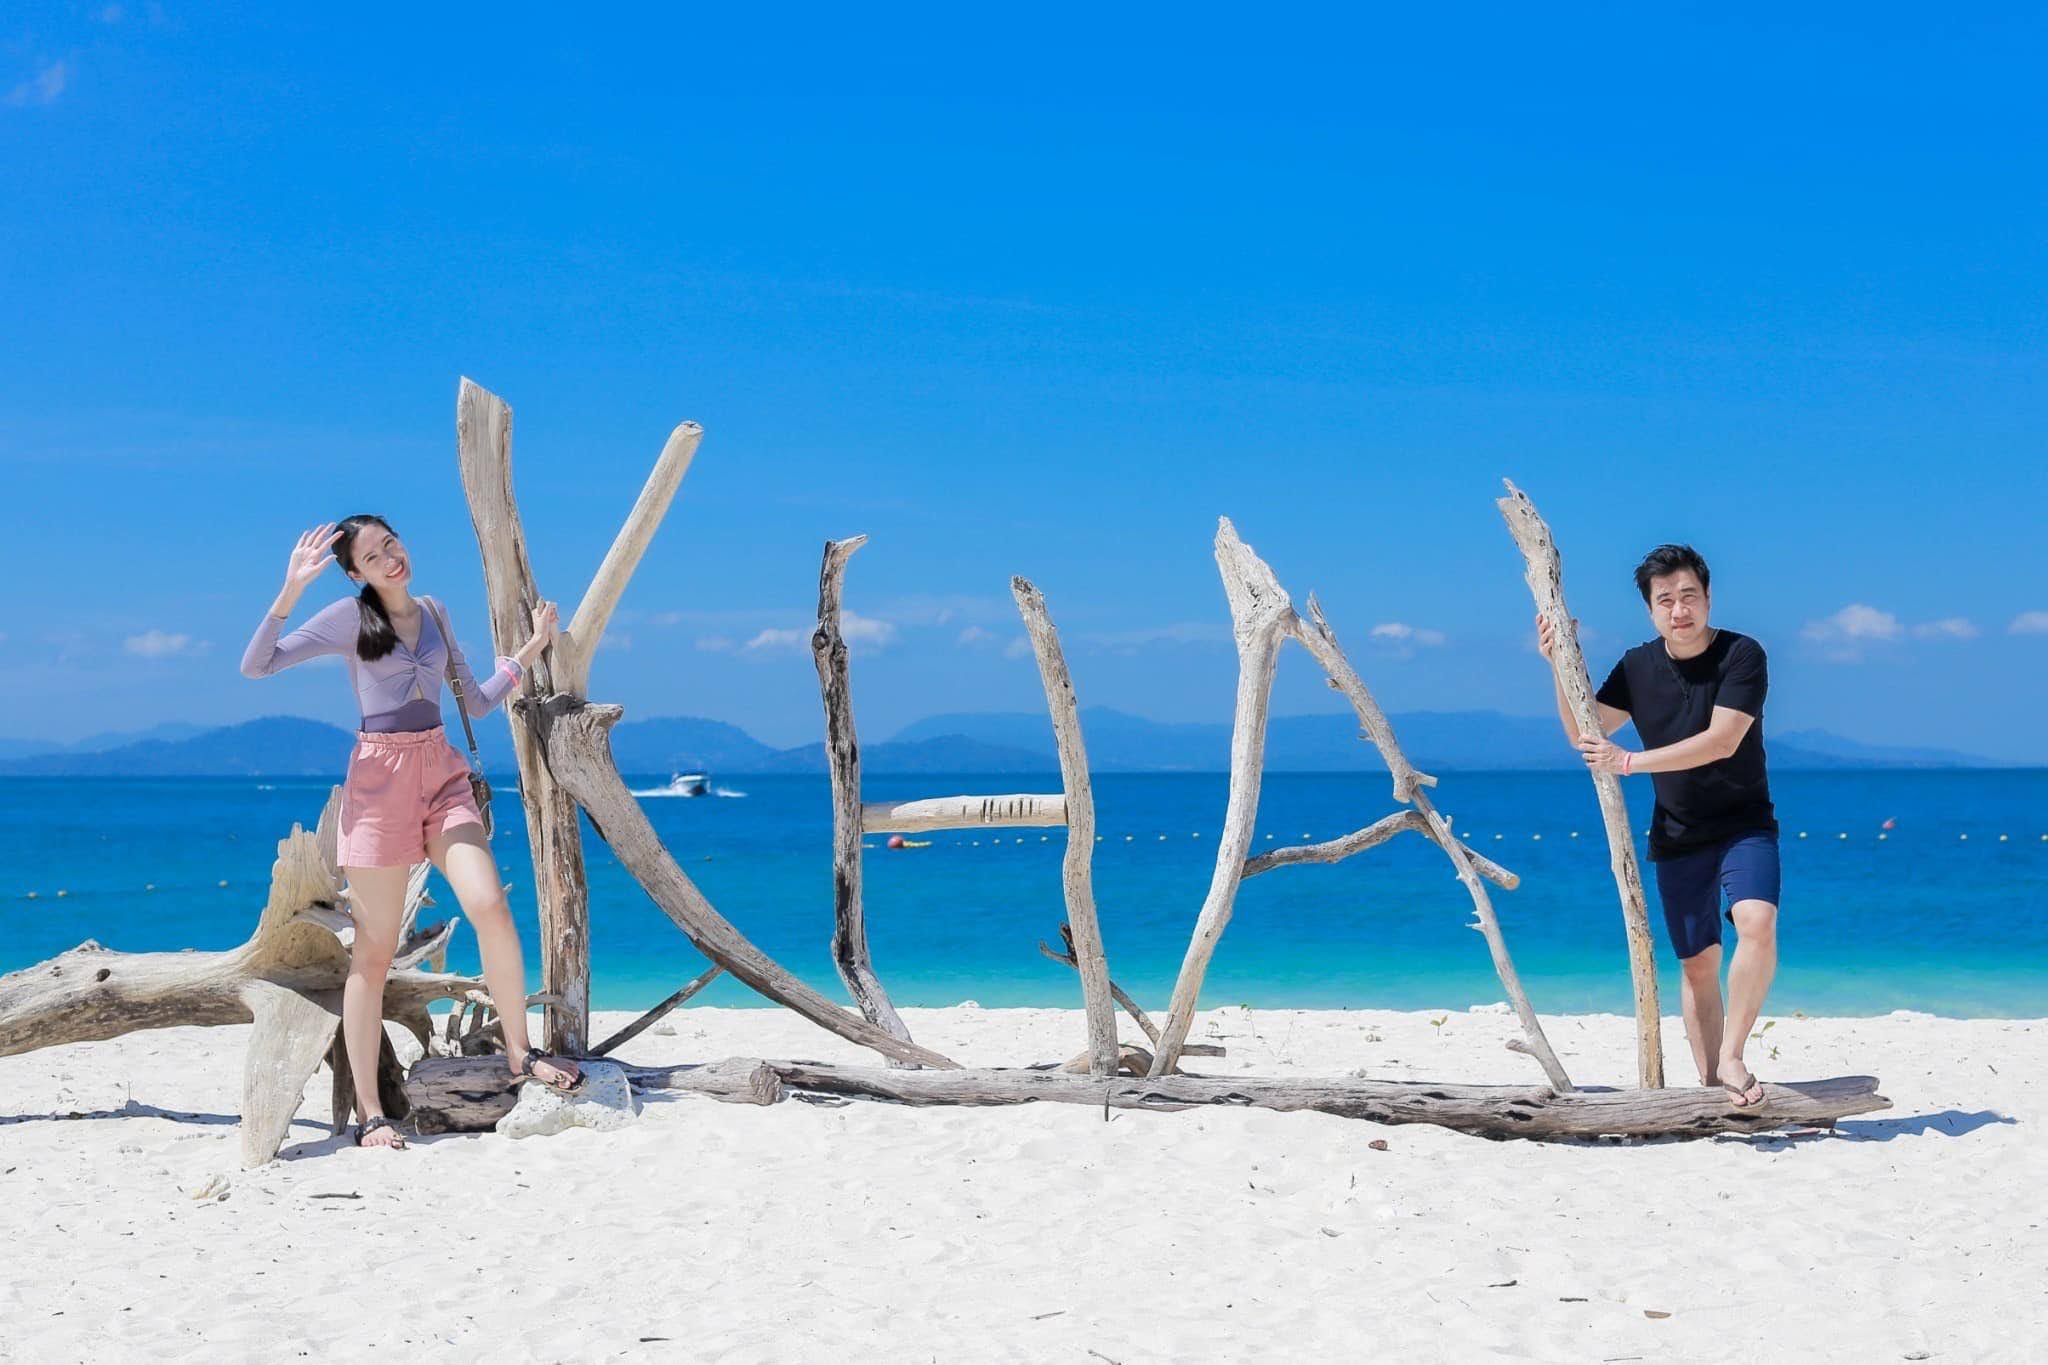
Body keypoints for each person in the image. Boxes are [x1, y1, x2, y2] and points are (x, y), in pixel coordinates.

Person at [242, 517, 583, 1149]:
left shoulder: (433, 610)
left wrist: (532, 649)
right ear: (356, 574)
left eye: (392, 545)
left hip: (441, 772)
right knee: (373, 953)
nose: (391, 559)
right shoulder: (348, 619)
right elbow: (257, 665)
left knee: (491, 908)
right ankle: (372, 1114)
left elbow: (475, 702)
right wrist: (290, 589)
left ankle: (520, 1054)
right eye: (373, 557)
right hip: (378, 787)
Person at [1536, 543, 1778, 1107]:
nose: (1679, 610)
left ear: (1708, 598)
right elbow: (1587, 730)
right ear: (1649, 608)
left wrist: (1630, 762)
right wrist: (1556, 663)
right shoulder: (1638, 665)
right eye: (1665, 600)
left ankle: (1734, 1055)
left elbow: (1723, 740)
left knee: (1757, 924)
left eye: (1689, 596)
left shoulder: (1743, 654)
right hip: (1677, 832)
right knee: (1698, 965)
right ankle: (1713, 1087)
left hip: (1745, 824)